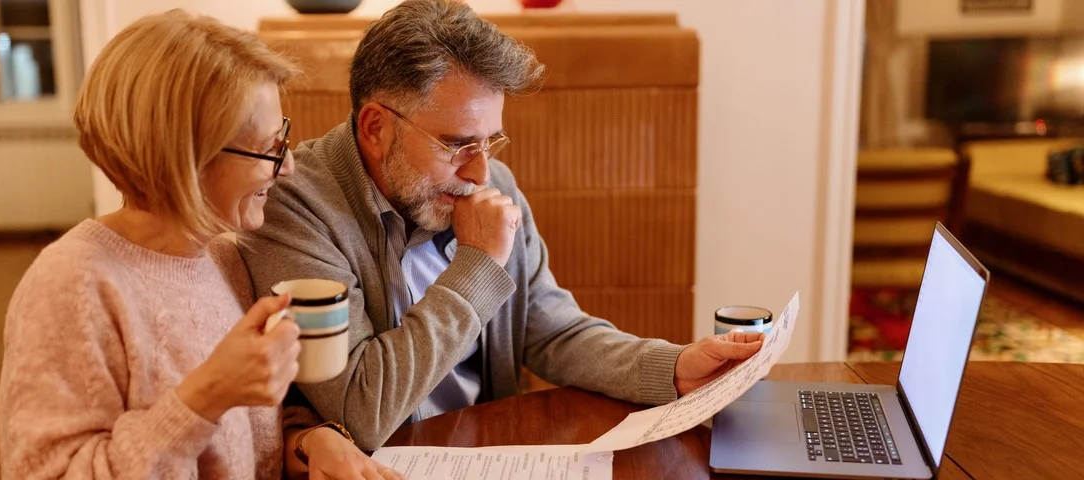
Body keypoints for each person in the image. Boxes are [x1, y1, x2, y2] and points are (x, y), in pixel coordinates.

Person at [239, 0, 764, 450]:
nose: (481, 171)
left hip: (487, 453)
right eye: (457, 143)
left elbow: (554, 333)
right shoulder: (295, 207)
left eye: (491, 140)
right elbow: (361, 408)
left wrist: (672, 367)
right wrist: (479, 264)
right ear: (376, 127)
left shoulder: (492, 187)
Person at [0, 10, 401, 479]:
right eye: (270, 147)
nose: (287, 166)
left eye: (283, 140)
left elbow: (243, 441)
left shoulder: (222, 258)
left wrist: (307, 441)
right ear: (187, 158)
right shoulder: (71, 284)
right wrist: (206, 396)